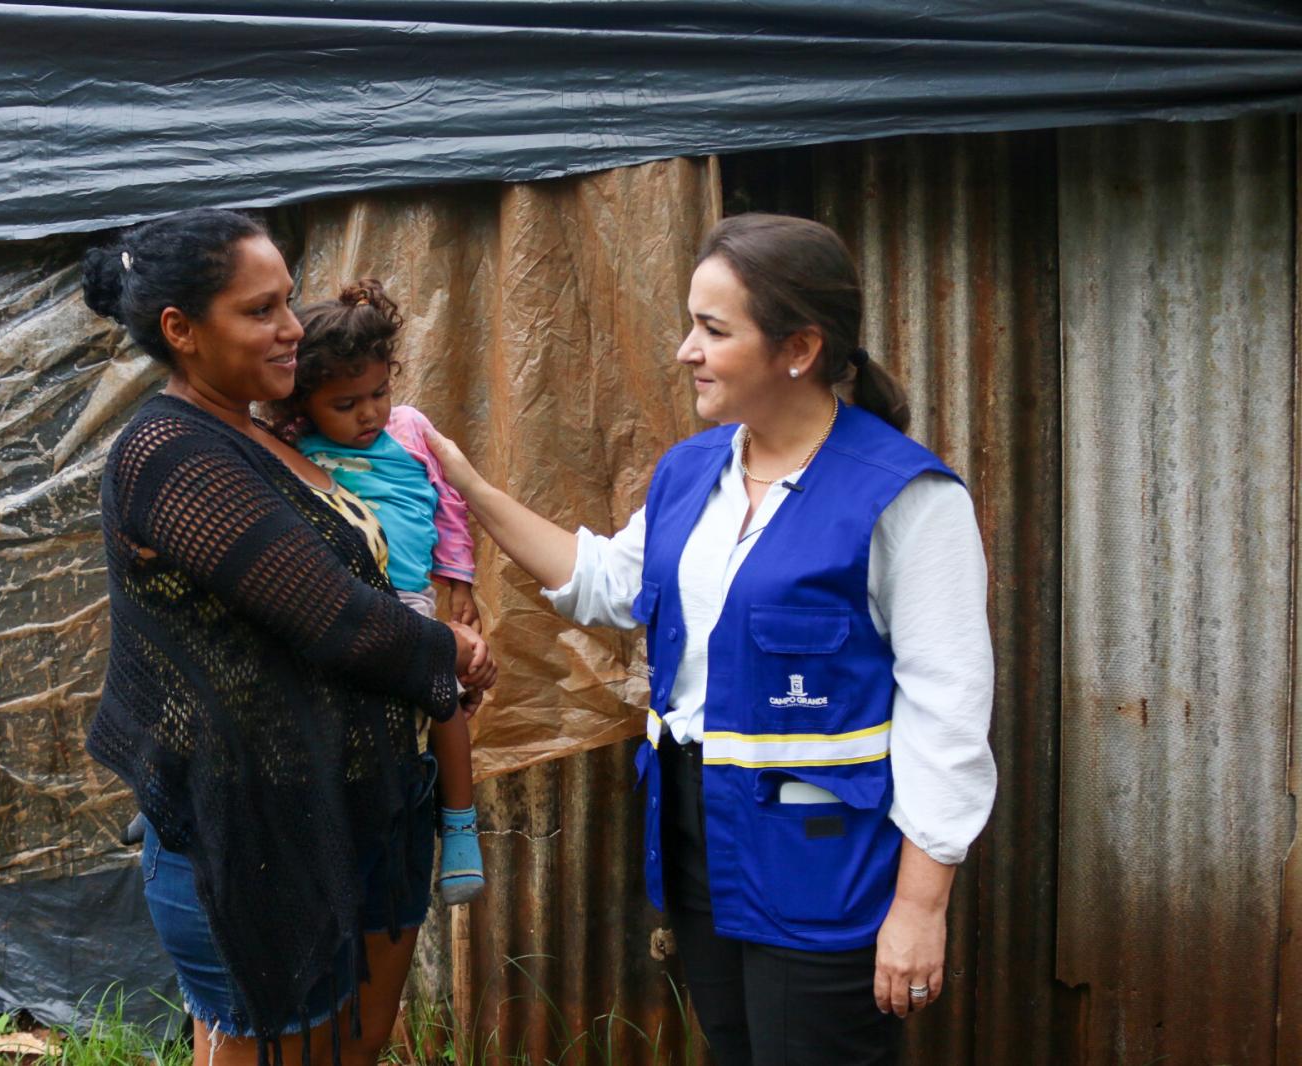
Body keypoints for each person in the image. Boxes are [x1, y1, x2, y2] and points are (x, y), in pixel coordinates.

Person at [423, 213, 995, 1066]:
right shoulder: (695, 472)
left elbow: (949, 715)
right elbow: (609, 584)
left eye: (713, 330)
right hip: (700, 838)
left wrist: (920, 908)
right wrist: (465, 485)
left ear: (797, 348)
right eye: (691, 323)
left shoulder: (906, 497)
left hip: (826, 860)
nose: (686, 349)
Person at [80, 207, 497, 1066]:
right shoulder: (169, 450)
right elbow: (331, 616)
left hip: (364, 805)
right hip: (261, 830)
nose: (292, 330)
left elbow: (371, 580)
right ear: (181, 330)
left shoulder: (266, 434)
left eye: (288, 302)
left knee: (349, 1051)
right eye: (260, 310)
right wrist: (446, 655)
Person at [270, 278, 486, 906]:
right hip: (330, 599)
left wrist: (459, 577)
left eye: (379, 392)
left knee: (441, 695)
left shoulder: (412, 429)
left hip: (409, 598)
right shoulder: (288, 444)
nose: (369, 413)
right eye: (346, 404)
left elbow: (447, 502)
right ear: (306, 405)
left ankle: (461, 826)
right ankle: (188, 787)